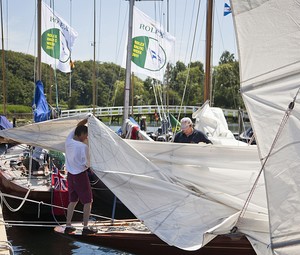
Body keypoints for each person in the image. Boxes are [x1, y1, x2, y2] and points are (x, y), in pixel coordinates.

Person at [64, 119, 97, 235]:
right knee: (88, 201)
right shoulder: (83, 147)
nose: (87, 137)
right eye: (86, 135)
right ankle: (86, 227)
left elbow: (77, 127)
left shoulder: (68, 141)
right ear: (82, 134)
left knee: (72, 201)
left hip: (70, 175)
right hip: (80, 175)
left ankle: (68, 225)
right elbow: (87, 164)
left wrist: (86, 120)